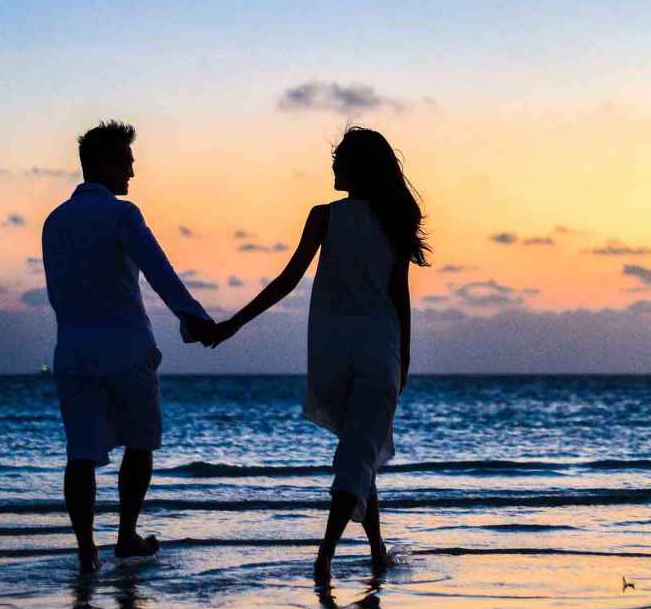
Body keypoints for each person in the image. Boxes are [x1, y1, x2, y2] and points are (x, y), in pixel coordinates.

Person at [209, 127, 430, 584]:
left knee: (358, 449)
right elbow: (399, 296)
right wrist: (404, 358)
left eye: (338, 159)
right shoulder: (393, 218)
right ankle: (325, 556)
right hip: (378, 353)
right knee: (357, 453)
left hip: (332, 355)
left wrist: (233, 324)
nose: (332, 166)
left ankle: (376, 549)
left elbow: (286, 281)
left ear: (356, 167)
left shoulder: (324, 216)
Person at [42, 120, 214, 574]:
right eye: (126, 163)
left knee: (80, 455)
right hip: (125, 349)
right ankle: (124, 536)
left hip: (74, 351)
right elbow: (159, 271)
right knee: (140, 443)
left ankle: (85, 550)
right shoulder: (122, 214)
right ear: (102, 163)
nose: (132, 174)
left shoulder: (54, 221)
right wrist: (194, 318)